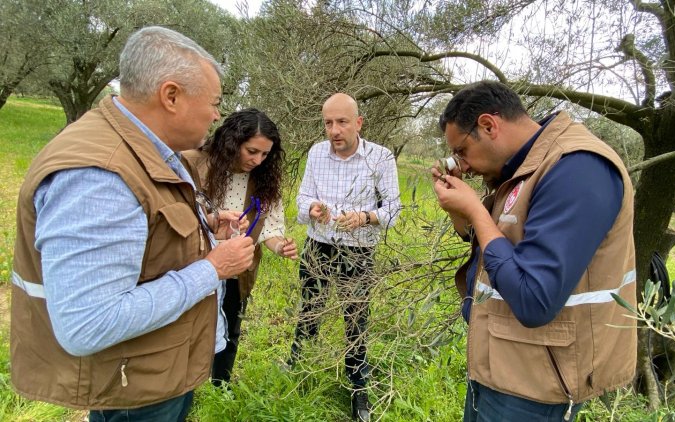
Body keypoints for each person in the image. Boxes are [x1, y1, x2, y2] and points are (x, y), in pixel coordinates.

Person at [10, 26, 256, 422]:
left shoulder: (145, 149)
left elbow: (145, 234)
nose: (216, 115)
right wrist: (214, 268)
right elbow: (89, 324)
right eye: (214, 103)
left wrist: (206, 227)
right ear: (171, 95)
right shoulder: (100, 175)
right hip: (134, 391)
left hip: (149, 374)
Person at [432, 80, 636, 421]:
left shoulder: (577, 168)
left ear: (488, 125)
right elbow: (498, 241)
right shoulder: (525, 168)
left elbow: (534, 299)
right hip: (500, 364)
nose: (462, 165)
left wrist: (477, 211)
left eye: (462, 151)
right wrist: (461, 211)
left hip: (537, 386)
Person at [287, 93, 401, 422]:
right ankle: (297, 366)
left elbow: (394, 208)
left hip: (359, 250)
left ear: (358, 123)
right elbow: (303, 198)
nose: (334, 130)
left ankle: (358, 390)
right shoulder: (316, 153)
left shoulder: (380, 158)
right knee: (309, 309)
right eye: (328, 123)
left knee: (355, 321)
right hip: (318, 245)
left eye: (342, 122)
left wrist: (365, 218)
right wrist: (312, 208)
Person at [183, 108, 299, 387]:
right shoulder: (193, 164)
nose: (258, 160)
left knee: (231, 328)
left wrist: (280, 247)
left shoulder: (264, 178)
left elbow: (269, 227)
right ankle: (185, 384)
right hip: (196, 265)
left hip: (238, 267)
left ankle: (219, 385)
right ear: (232, 141)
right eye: (251, 151)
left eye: (265, 154)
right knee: (189, 327)